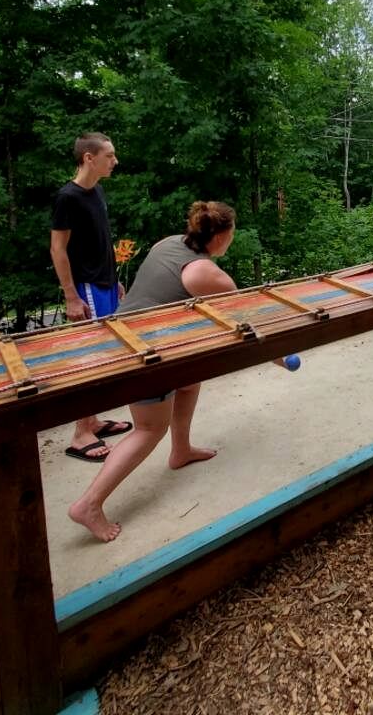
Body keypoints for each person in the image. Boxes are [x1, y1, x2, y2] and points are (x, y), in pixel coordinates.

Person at [68, 200, 236, 542]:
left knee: (190, 381)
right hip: (143, 351)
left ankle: (181, 450)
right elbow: (240, 306)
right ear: (219, 237)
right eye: (231, 234)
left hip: (128, 333)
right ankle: (88, 504)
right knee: (148, 429)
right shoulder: (205, 272)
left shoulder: (169, 243)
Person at [50, 132, 135, 462]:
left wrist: (115, 281)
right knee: (92, 357)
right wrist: (71, 296)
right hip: (85, 287)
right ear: (89, 158)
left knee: (108, 355)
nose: (115, 161)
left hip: (105, 284)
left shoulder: (96, 191)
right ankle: (80, 434)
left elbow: (101, 241)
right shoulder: (67, 198)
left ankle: (93, 421)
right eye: (109, 156)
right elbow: (58, 249)